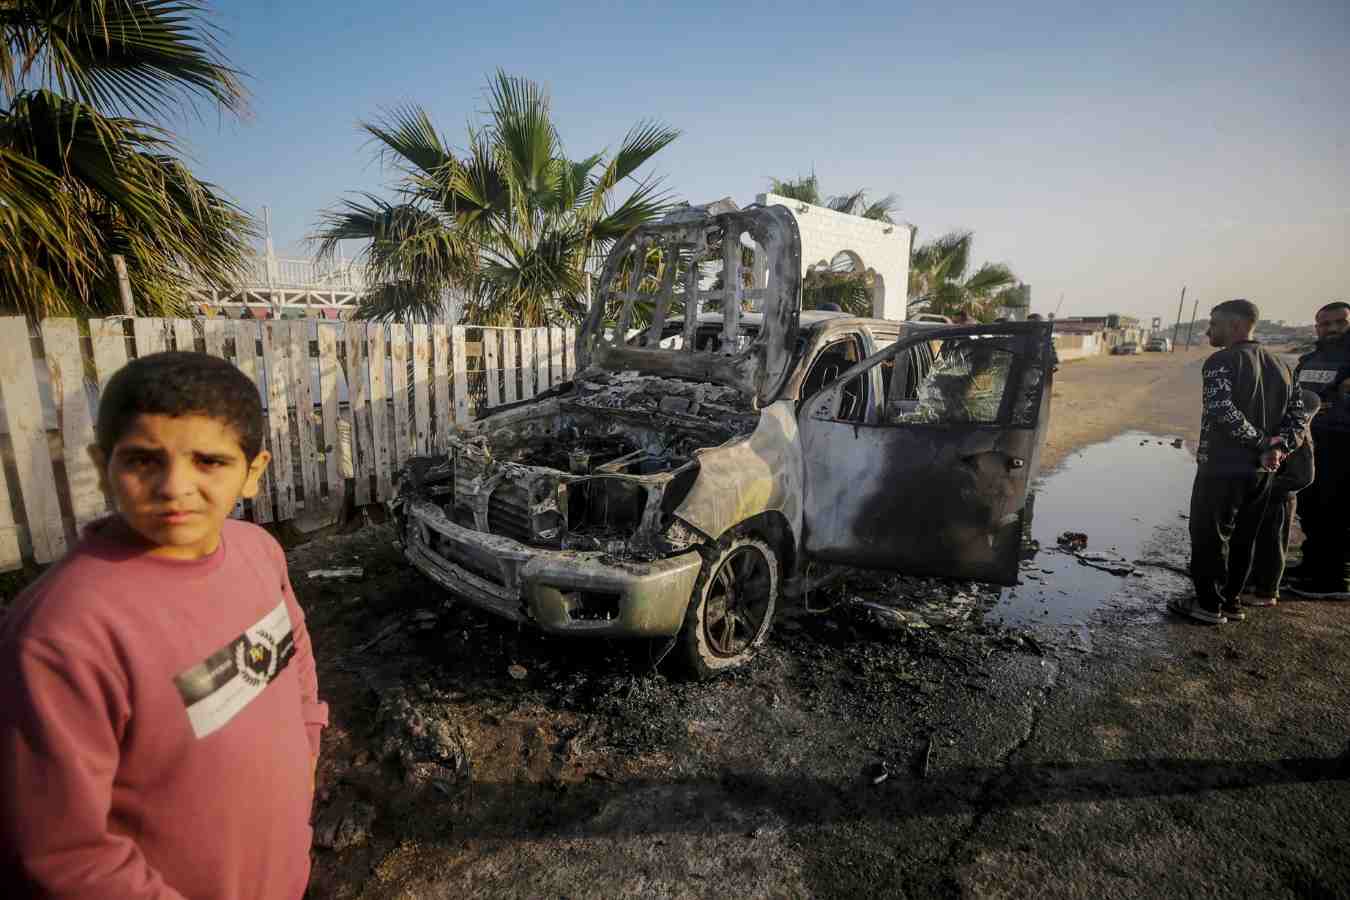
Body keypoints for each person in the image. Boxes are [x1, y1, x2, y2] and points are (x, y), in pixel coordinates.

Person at [0, 352, 327, 899]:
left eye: (209, 461)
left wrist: (309, 743)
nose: (175, 486)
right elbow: (63, 851)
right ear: (103, 463)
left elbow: (293, 651)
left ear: (253, 472)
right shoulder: (62, 635)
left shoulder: (259, 554)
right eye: (144, 461)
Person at [1171, 299, 1305, 625]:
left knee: (1209, 536)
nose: (1208, 331)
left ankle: (1208, 605)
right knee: (1245, 537)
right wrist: (1277, 449)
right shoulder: (1283, 366)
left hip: (1221, 467)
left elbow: (1222, 411)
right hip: (1261, 472)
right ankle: (1231, 602)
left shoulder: (1221, 361)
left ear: (1235, 325)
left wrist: (1262, 444)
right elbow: (1299, 417)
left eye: (1214, 324)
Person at [1284, 301, 1350, 600]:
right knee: (1312, 507)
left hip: (1343, 442)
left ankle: (1332, 579)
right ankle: (1312, 565)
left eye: (1341, 322)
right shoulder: (1311, 360)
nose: (1333, 329)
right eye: (1326, 324)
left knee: (1334, 511)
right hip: (1311, 440)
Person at [1242, 390, 1321, 607]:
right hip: (1269, 494)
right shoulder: (1287, 427)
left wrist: (1271, 488)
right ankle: (1254, 584)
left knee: (1272, 546)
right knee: (1260, 544)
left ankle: (1266, 592)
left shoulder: (1299, 434)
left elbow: (1304, 476)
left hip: (1279, 499)